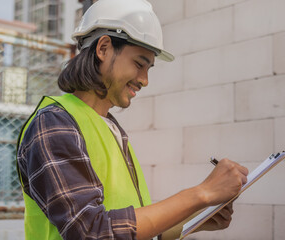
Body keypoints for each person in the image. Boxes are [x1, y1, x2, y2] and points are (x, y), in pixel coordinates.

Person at [16, 0, 248, 239]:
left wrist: (196, 218)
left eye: (149, 68)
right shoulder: (53, 125)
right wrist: (202, 193)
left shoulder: (109, 127)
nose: (145, 80)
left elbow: (126, 225)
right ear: (103, 48)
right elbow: (91, 232)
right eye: (139, 64)